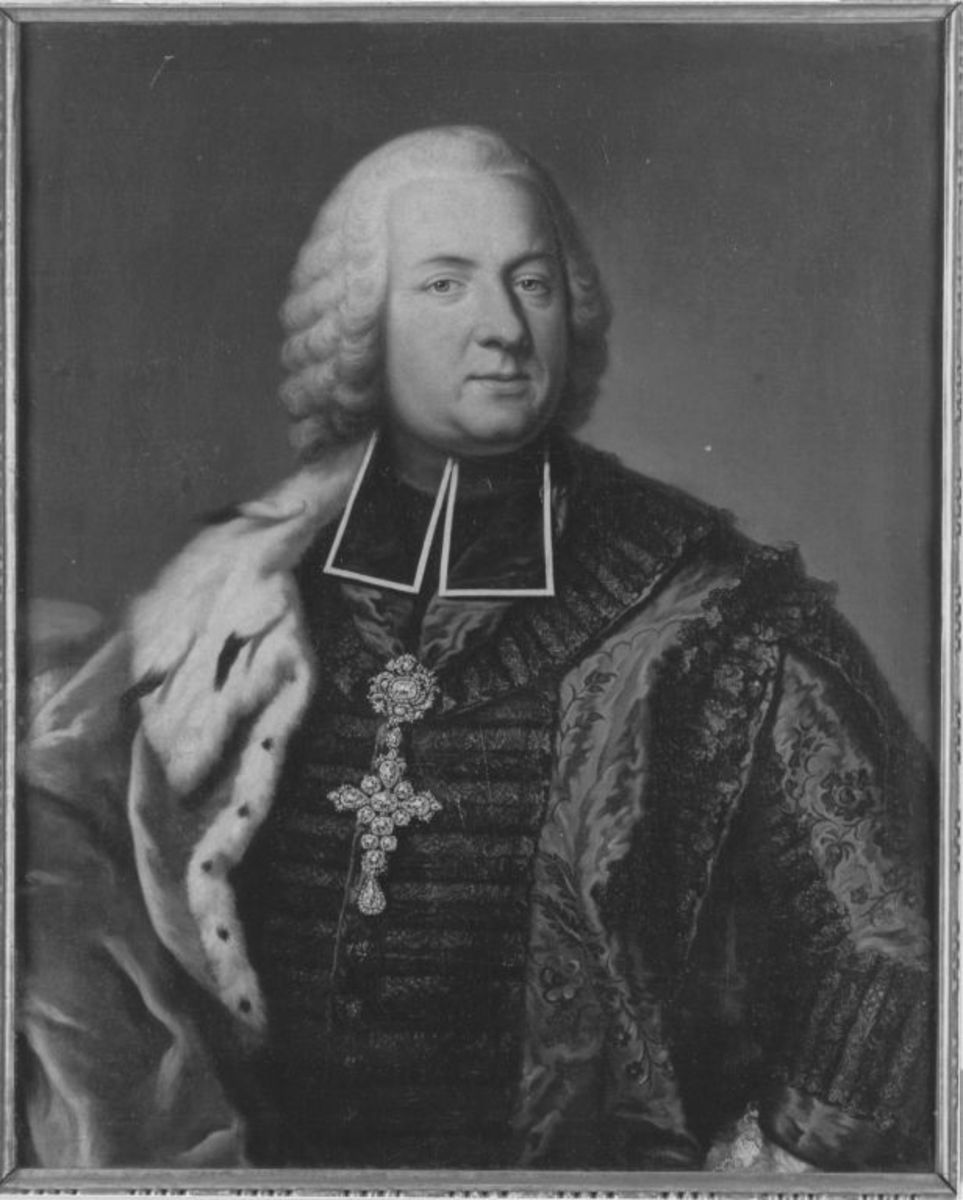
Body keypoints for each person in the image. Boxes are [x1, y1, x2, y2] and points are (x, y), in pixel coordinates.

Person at [18, 125, 933, 1173]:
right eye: (445, 284)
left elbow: (898, 940)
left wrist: (774, 1171)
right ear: (360, 321)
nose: (502, 327)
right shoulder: (237, 598)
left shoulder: (717, 618)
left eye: (530, 282)